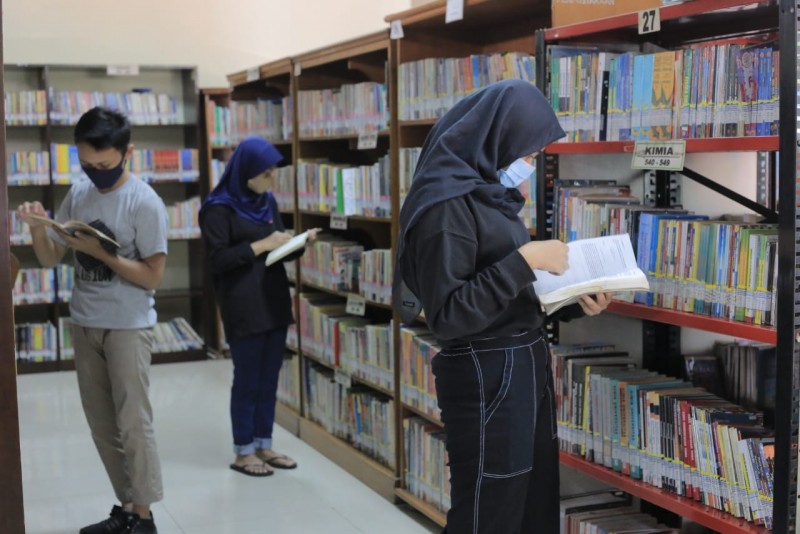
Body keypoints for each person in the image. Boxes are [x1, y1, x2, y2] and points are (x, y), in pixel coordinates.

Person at [393, 79, 613, 534]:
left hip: (522, 357)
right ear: (495, 140)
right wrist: (525, 260)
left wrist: (572, 302)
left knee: (531, 502)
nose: (530, 166)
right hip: (484, 370)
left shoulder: (488, 195)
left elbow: (504, 295)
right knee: (489, 511)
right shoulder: (444, 208)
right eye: (528, 155)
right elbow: (450, 316)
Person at [17, 107, 168, 534]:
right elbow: (50, 259)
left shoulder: (145, 203)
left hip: (127, 325)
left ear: (127, 153)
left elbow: (153, 276)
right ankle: (126, 508)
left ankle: (145, 516)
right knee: (102, 423)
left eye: (104, 165)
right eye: (86, 164)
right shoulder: (80, 193)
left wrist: (103, 253)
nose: (95, 172)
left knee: (134, 422)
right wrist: (35, 229)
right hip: (84, 322)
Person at [200, 137, 319, 477]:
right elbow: (219, 260)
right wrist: (263, 244)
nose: (270, 177)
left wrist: (298, 243)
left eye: (272, 171)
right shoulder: (217, 208)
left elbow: (278, 245)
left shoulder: (266, 201)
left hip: (273, 298)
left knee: (269, 379)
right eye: (265, 172)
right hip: (242, 303)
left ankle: (264, 444)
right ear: (246, 170)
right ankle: (243, 451)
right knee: (248, 378)